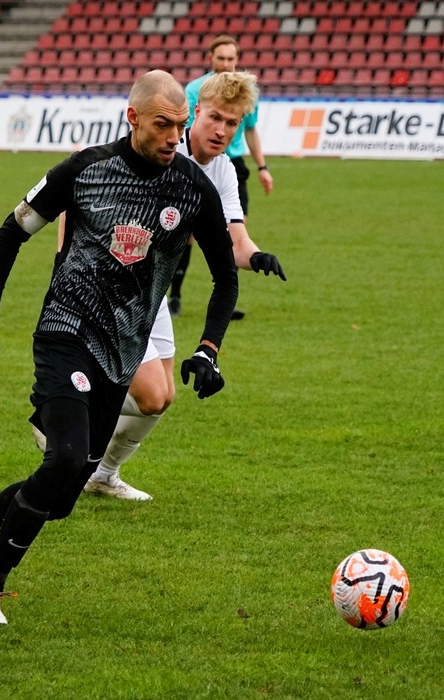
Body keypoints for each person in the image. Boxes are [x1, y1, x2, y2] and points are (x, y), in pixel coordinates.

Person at [0, 70, 239, 625]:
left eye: (180, 125)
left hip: (122, 354)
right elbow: (12, 231)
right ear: (132, 117)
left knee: (61, 496)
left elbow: (226, 277)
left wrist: (208, 348)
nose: (174, 136)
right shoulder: (85, 169)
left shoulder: (193, 188)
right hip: (66, 332)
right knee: (63, 460)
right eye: (163, 124)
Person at [78, 71, 286, 501]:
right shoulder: (160, 151)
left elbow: (236, 242)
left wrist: (256, 257)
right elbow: (83, 193)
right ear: (196, 113)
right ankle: (67, 411)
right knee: (151, 393)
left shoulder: (223, 170)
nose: (222, 130)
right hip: (115, 287)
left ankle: (102, 474)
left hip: (151, 291)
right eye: (215, 118)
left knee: (162, 398)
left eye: (232, 122)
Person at [169, 34, 275, 320]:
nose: (226, 63)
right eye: (221, 58)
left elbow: (250, 130)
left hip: (232, 164)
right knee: (185, 233)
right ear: (211, 58)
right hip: (196, 159)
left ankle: (225, 298)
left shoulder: (246, 94)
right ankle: (175, 295)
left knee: (233, 230)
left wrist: (262, 167)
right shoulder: (195, 90)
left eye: (231, 58)